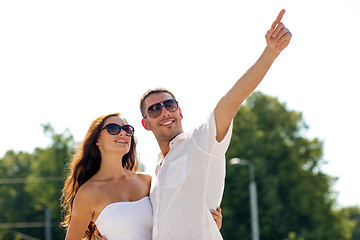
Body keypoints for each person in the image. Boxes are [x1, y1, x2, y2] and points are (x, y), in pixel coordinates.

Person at [139, 9, 292, 240]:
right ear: (145, 123)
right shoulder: (156, 173)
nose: (164, 111)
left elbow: (232, 99)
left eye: (170, 104)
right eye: (154, 109)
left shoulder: (201, 141)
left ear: (179, 110)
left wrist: (271, 52)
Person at [61, 113, 222, 240]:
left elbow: (176, 214)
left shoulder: (147, 181)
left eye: (127, 129)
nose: (123, 132)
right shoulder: (88, 193)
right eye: (113, 128)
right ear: (97, 140)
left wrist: (208, 222)